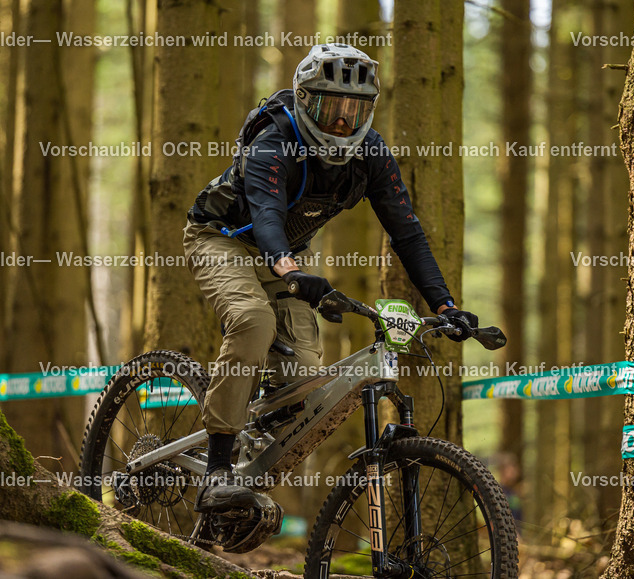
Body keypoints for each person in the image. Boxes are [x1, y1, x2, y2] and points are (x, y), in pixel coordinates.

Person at [184, 43, 479, 512]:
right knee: (253, 320)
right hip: (222, 238)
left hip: (287, 256)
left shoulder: (372, 153)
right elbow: (265, 217)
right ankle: (218, 468)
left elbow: (408, 234)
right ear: (304, 100)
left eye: (354, 108)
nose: (342, 121)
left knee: (304, 382)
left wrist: (445, 305)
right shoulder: (273, 139)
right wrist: (291, 271)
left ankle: (249, 461)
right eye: (330, 106)